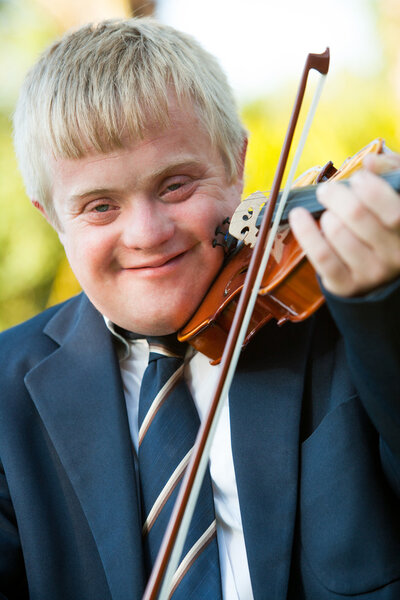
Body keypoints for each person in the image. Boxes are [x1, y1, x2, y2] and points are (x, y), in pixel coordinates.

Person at [1, 17, 400, 600]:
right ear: (51, 217)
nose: (147, 233)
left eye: (176, 186)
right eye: (100, 206)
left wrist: (382, 315)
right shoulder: (6, 394)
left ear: (238, 163)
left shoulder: (344, 323)